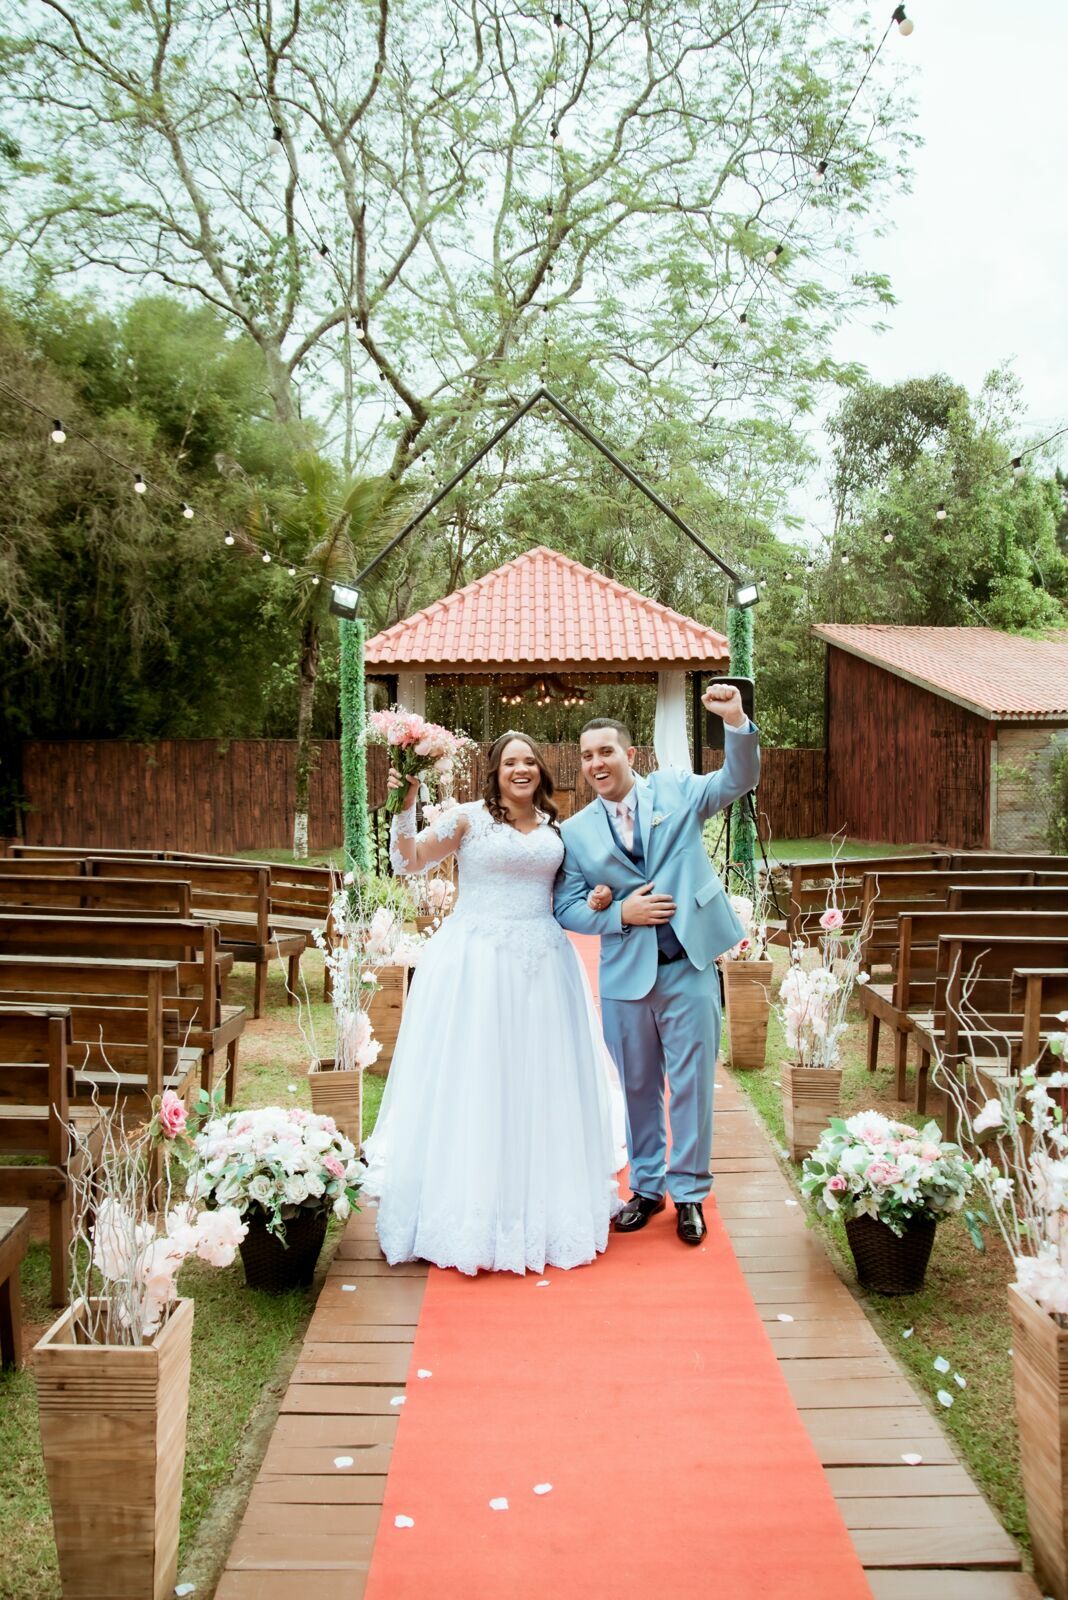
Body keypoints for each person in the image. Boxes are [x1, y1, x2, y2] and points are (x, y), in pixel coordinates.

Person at [361, 731, 624, 1276]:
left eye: (530, 761)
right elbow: (409, 861)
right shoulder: (466, 818)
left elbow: (572, 891)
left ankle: (540, 1203)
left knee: (538, 1079)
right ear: (495, 769)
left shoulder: (558, 828)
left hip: (544, 964)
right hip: (477, 962)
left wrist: (599, 897)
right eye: (510, 761)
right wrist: (405, 806)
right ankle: (466, 1208)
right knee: (476, 1075)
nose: (521, 769)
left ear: (541, 771)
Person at [553, 683, 760, 1246]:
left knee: (692, 1083)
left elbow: (736, 781)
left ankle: (689, 1194)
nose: (596, 763)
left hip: (688, 965)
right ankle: (646, 1188)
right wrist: (622, 911)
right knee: (639, 1086)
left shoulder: (675, 789)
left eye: (606, 751)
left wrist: (735, 721)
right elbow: (565, 906)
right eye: (587, 755)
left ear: (630, 756)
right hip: (624, 976)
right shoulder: (574, 833)